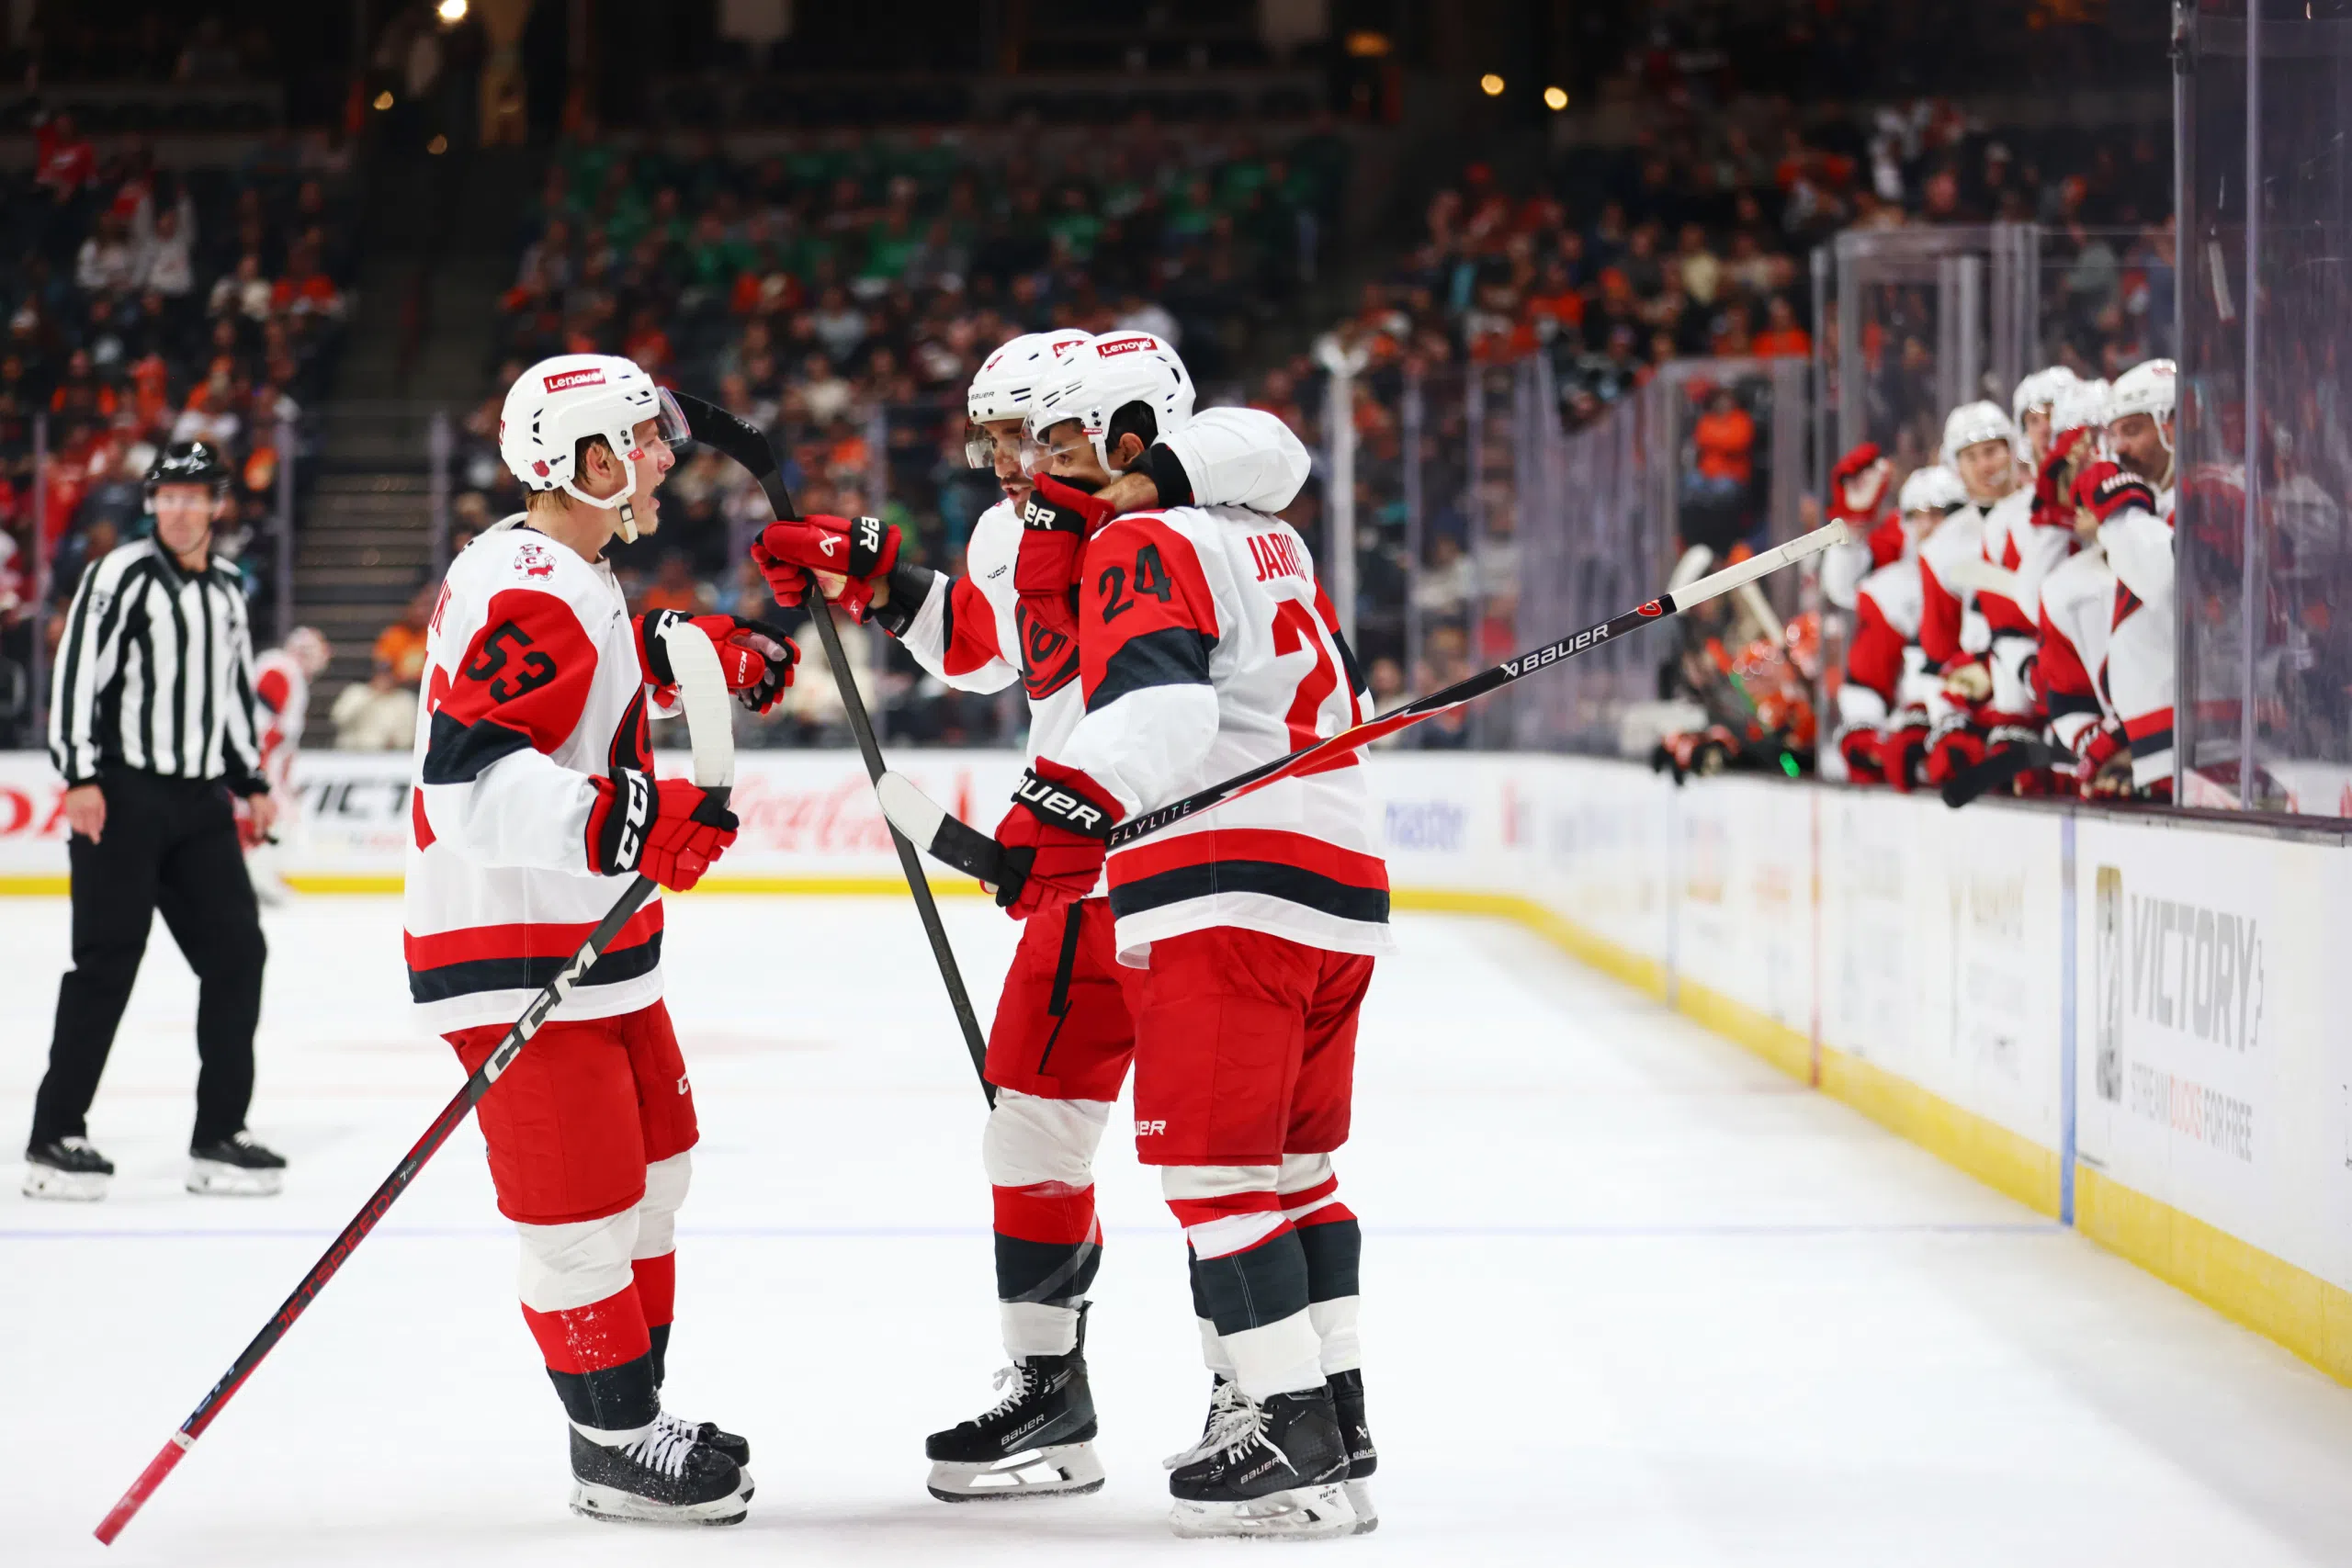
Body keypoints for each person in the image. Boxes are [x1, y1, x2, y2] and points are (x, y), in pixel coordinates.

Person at [747, 329, 1320, 1506]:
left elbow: (1273, 447)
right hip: (1075, 879)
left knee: (1219, 1159)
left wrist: (1143, 481)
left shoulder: (1192, 503)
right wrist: (876, 583)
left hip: (1189, 870)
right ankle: (1049, 1393)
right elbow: (983, 651)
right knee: (1028, 1136)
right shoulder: (1016, 532)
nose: (1007, 461)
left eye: (1030, 435)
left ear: (1117, 428)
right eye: (997, 438)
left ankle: (1249, 1396)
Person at [997, 330, 1385, 1539]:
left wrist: (1058, 801)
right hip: (1336, 874)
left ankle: (1288, 1434)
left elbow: (1164, 708)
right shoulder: (1262, 532)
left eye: (1063, 440)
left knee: (1216, 1176)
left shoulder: (1142, 536)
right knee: (1292, 1172)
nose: (1040, 465)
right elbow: (1267, 450)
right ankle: (1337, 1427)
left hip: (1226, 879)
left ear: (1130, 436)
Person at [406, 353, 797, 1525]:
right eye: (642, 441)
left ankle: (637, 1410)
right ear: (580, 461)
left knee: (654, 1177)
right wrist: (635, 820)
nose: (664, 460)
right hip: (515, 945)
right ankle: (614, 1444)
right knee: (578, 1213)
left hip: (589, 941)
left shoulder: (566, 564)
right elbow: (470, 784)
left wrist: (690, 656)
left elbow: (581, 689)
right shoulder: (533, 583)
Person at [28, 441, 283, 1201]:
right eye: (167, 496)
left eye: (193, 496)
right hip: (123, 794)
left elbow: (230, 694)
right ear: (152, 504)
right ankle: (55, 1136)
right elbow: (77, 672)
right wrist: (79, 774)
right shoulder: (120, 574)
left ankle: (219, 1135)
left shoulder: (228, 588)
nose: (178, 509)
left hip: (201, 804)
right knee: (107, 961)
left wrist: (251, 780)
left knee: (238, 955)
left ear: (216, 504)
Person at [2076, 357, 2177, 798]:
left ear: (2174, 424)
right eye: (2114, 434)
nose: (2119, 449)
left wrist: (2117, 513)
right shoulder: (2153, 506)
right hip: (2157, 741)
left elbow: (2165, 582)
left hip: (2203, 745)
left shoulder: (2213, 492)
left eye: (2133, 430)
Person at [244, 625, 331, 904]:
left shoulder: (287, 673)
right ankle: (258, 878)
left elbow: (284, 739)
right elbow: (261, 727)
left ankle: (256, 876)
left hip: (264, 763)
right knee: (278, 818)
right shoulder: (281, 671)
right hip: (258, 762)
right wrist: (260, 772)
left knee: (275, 818)